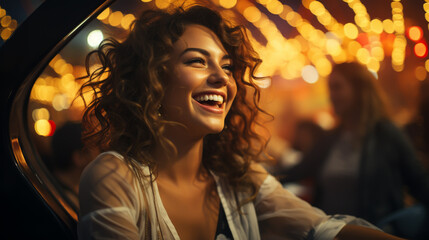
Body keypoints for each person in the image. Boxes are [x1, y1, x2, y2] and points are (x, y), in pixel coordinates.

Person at [77, 5, 404, 240]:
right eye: (197, 61)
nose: (222, 77)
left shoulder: (237, 178)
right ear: (152, 79)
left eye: (227, 65)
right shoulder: (114, 177)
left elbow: (322, 229)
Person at [280, 62, 429, 238]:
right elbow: (296, 171)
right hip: (332, 235)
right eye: (330, 88)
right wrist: (256, 177)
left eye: (337, 87)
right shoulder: (330, 139)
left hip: (373, 234)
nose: (331, 95)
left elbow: (419, 183)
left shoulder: (386, 134)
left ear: (359, 90)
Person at [51, 121, 98, 210]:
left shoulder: (51, 187)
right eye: (97, 152)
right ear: (79, 158)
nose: (100, 159)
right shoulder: (68, 204)